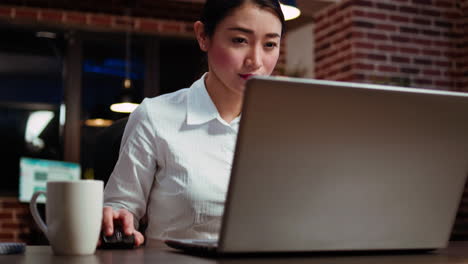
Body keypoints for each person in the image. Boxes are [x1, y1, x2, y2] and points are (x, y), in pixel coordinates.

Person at [101, 0, 285, 247]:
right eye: (240, 40)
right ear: (203, 36)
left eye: (270, 44)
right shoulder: (155, 117)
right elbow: (120, 207)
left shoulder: (286, 125)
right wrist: (117, 217)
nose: (256, 60)